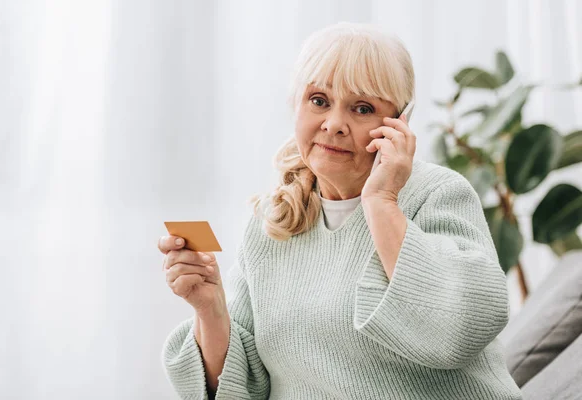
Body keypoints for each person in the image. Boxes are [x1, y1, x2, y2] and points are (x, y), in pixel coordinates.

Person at [158, 22, 524, 399]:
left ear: (399, 123)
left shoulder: (437, 194)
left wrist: (381, 202)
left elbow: (461, 327)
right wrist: (211, 309)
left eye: (362, 108)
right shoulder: (274, 220)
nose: (334, 124)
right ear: (295, 105)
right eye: (319, 100)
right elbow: (244, 386)